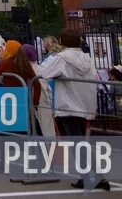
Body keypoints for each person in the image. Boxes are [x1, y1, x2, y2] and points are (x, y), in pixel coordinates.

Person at [39, 29, 107, 191]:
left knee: (75, 143)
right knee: (80, 142)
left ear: (63, 41)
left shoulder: (62, 58)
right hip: (84, 105)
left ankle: (93, 177)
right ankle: (92, 176)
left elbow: (44, 73)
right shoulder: (87, 58)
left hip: (67, 105)